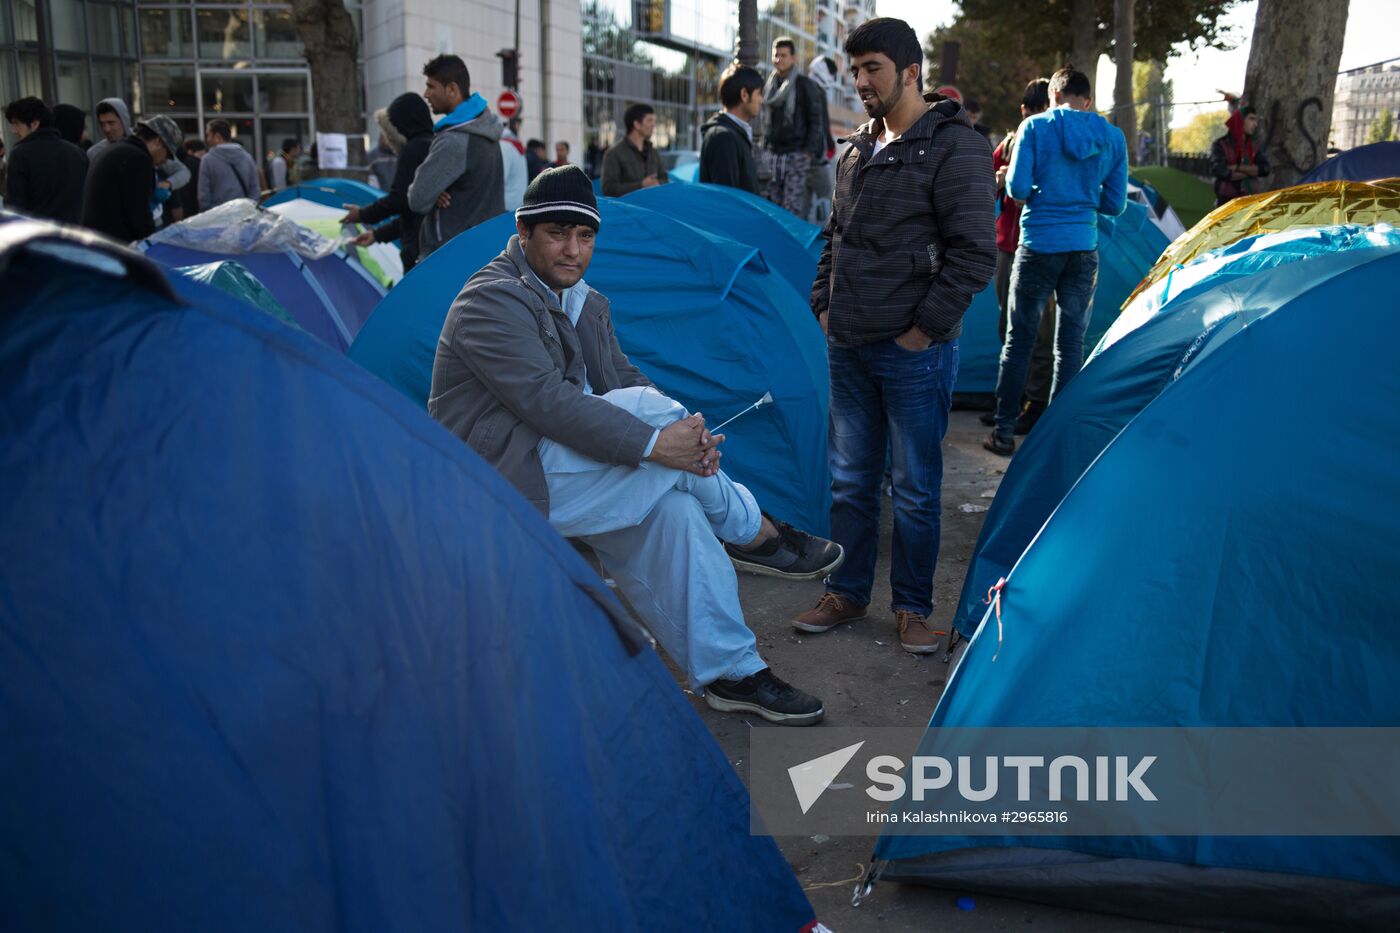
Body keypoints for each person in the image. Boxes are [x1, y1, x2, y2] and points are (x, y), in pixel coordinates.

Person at [429, 165, 840, 724]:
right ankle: (753, 531)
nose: (573, 250)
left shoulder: (585, 302)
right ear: (523, 232)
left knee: (676, 514)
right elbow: (549, 403)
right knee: (652, 428)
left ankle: (733, 673)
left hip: (564, 471)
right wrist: (656, 443)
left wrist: (684, 445)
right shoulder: (490, 302)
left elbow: (625, 379)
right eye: (557, 233)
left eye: (586, 236)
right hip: (499, 481)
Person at [797, 17, 996, 653]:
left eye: (872, 69)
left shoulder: (954, 145)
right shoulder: (855, 146)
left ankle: (912, 608)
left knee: (914, 489)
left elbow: (973, 255)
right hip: (847, 344)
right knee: (850, 483)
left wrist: (922, 333)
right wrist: (822, 303)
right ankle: (848, 594)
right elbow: (834, 234)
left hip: (914, 353)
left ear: (911, 71)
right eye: (854, 70)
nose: (860, 81)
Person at [984, 67, 1127, 457]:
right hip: (1083, 248)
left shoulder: (1034, 128)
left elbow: (1015, 189)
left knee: (1019, 340)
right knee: (1070, 345)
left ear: (1052, 97)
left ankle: (1003, 432)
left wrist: (1045, 193)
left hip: (1038, 246)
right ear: (1088, 100)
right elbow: (1115, 203)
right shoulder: (1112, 137)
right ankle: (1057, 439)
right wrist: (1081, 198)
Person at [979, 77, 1056, 436]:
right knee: (1006, 326)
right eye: (1029, 113)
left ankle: (1036, 404)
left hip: (1041, 247)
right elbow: (982, 184)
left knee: (1040, 331)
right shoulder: (1009, 145)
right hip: (1005, 247)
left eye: (1040, 112)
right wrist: (998, 178)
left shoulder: (1055, 144)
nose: (1034, 119)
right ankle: (1008, 399)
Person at [407, 54, 504, 258]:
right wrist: (434, 190)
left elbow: (416, 199)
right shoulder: (485, 129)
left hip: (451, 255)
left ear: (452, 89)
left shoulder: (455, 140)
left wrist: (432, 190)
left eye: (431, 86)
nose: (426, 94)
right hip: (482, 249)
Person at [344, 93, 434, 273]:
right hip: (432, 243)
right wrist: (377, 234)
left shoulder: (413, 149)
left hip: (418, 248)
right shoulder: (435, 144)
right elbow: (411, 212)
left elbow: (400, 200)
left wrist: (362, 214)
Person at [81, 116, 179, 242]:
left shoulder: (119, 150)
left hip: (98, 241)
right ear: (158, 142)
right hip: (115, 244)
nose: (165, 161)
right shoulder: (138, 159)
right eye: (167, 154)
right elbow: (139, 216)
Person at [760, 37, 825, 215]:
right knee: (773, 206)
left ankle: (791, 242)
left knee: (792, 206)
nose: (779, 59)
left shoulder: (804, 84)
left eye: (784, 55)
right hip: (773, 153)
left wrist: (807, 151)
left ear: (793, 58)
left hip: (797, 152)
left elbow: (815, 120)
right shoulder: (769, 86)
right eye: (776, 55)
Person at [3, 97, 88, 224]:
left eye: (17, 124)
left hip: (38, 236)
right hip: (73, 236)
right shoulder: (78, 153)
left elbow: (15, 208)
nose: (14, 130)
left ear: (34, 124)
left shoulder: (20, 154)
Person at [700, 63, 764, 193]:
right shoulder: (723, 138)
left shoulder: (731, 134)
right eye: (759, 93)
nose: (761, 100)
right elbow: (727, 201)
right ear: (744, 94)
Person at [600, 103, 668, 197]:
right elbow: (608, 189)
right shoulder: (613, 154)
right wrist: (641, 185)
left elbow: (665, 179)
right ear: (637, 124)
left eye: (654, 121)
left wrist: (657, 183)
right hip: (627, 210)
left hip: (652, 208)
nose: (653, 125)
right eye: (649, 120)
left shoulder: (653, 152)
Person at [1210, 101, 1270, 206]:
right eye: (1251, 119)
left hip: (1250, 202)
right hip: (1226, 203)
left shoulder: (1253, 146)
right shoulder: (1221, 145)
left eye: (1256, 120)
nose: (1255, 124)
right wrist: (1251, 172)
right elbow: (1220, 171)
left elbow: (1265, 169)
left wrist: (1237, 167)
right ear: (1240, 121)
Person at [198, 120, 260, 211]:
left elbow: (204, 195)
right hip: (243, 214)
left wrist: (208, 213)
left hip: (218, 216)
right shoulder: (247, 157)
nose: (207, 139)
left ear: (217, 137)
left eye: (208, 135)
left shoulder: (207, 160)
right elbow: (254, 188)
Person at [499, 119, 528, 211]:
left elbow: (501, 177)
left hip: (506, 205)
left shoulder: (504, 146)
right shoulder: (515, 145)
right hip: (517, 203)